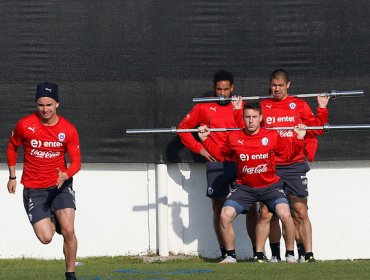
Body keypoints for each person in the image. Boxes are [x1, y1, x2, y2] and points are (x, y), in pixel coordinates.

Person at [198, 102, 307, 263]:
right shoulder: (234, 137)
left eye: (254, 117)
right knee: (224, 215)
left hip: (270, 187)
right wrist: (205, 139)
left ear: (260, 118)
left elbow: (287, 155)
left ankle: (290, 254)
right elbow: (222, 155)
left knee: (285, 214)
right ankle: (230, 256)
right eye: (248, 117)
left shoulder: (271, 136)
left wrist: (299, 138)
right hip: (244, 188)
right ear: (243, 118)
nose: (251, 121)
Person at [245, 69, 329, 263]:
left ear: (288, 85)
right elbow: (248, 129)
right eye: (274, 85)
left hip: (294, 165)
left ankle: (306, 254)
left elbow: (317, 130)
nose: (277, 89)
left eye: (280, 85)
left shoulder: (299, 105)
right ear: (270, 85)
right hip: (271, 167)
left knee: (300, 211)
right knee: (268, 212)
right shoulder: (263, 106)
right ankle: (275, 255)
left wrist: (322, 108)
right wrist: (235, 109)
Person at [178, 70, 258, 260]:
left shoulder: (242, 107)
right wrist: (200, 149)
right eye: (219, 90)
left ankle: (258, 252)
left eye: (226, 89)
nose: (222, 93)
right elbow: (183, 129)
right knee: (218, 207)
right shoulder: (203, 107)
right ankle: (227, 253)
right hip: (216, 164)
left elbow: (252, 130)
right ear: (214, 89)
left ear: (232, 88)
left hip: (240, 163)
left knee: (252, 206)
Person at [7, 82, 81, 280]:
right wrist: (12, 176)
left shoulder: (68, 129)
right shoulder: (25, 125)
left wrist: (66, 174)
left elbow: (76, 162)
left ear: (57, 103)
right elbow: (12, 148)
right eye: (41, 105)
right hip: (34, 188)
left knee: (69, 230)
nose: (45, 109)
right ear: (36, 104)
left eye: (49, 104)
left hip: (60, 185)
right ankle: (54, 220)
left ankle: (70, 274)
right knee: (46, 238)